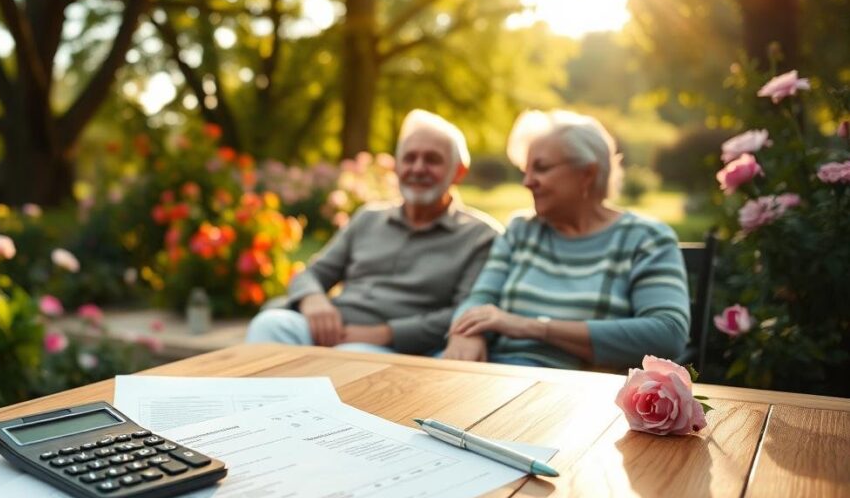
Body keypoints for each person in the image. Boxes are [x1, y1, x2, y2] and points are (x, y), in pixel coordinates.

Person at [443, 109, 690, 369]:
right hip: (496, 374)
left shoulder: (645, 239)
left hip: (574, 392)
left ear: (587, 173)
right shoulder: (520, 230)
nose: (527, 182)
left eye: (541, 168)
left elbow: (668, 334)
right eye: (525, 170)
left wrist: (533, 327)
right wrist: (466, 333)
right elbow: (480, 298)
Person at [245, 109, 502, 355]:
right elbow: (312, 273)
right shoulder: (368, 217)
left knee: (352, 356)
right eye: (409, 158)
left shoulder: (480, 236)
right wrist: (313, 299)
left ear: (458, 172)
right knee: (269, 325)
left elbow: (465, 313)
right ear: (397, 167)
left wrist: (386, 333)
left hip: (400, 349)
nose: (418, 168)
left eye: (432, 160)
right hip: (332, 330)